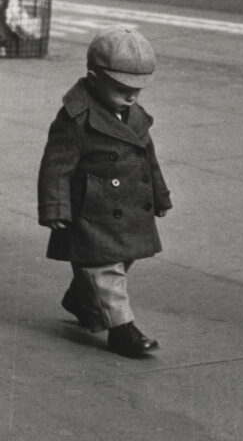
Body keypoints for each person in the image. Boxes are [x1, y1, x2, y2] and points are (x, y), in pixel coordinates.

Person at [37, 27, 172, 358]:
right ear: (93, 79)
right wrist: (55, 206)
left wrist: (160, 194)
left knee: (122, 258)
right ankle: (121, 330)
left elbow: (147, 160)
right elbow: (56, 165)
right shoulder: (76, 117)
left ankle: (80, 299)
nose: (131, 97)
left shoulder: (134, 116)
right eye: (122, 89)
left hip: (127, 208)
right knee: (104, 266)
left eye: (137, 90)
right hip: (92, 210)